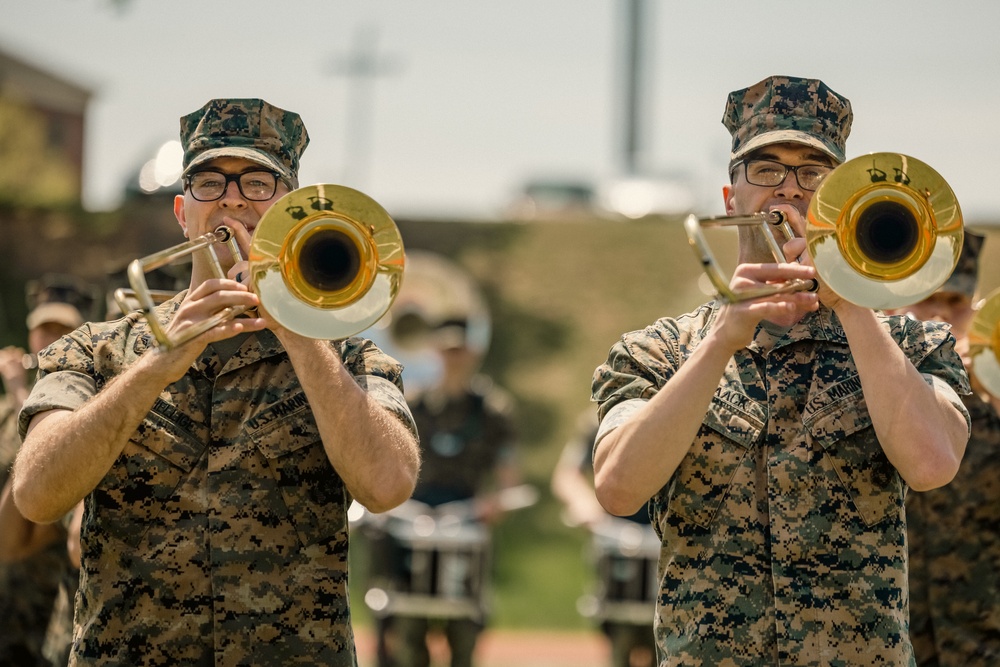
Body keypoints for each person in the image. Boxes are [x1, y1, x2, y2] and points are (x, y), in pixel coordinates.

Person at [11, 98, 421, 666]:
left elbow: (388, 485)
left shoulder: (348, 357)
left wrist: (300, 335)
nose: (232, 197)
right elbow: (35, 495)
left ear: (290, 208)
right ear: (183, 212)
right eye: (209, 182)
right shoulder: (94, 349)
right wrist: (157, 362)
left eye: (257, 183)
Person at [591, 75, 971, 665]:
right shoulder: (656, 351)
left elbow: (932, 465)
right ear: (730, 198)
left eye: (813, 173)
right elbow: (617, 489)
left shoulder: (913, 343)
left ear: (839, 197)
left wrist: (851, 306)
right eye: (766, 169)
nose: (788, 190)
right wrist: (720, 343)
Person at [376, 318, 520, 667]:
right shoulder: (414, 403)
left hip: (464, 520)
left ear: (471, 352)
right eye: (447, 349)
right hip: (413, 517)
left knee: (464, 623)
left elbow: (508, 474)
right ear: (435, 351)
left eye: (459, 350)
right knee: (404, 622)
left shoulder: (492, 410)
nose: (453, 357)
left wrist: (497, 502)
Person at [888, 231, 1000, 665]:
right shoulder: (866, 392)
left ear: (973, 313)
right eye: (926, 299)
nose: (939, 315)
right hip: (890, 645)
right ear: (895, 308)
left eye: (954, 303)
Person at [0, 294, 84, 666]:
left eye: (63, 330)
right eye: (45, 329)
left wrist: (20, 389)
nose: (52, 337)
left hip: (44, 594)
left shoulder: (81, 398)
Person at [551, 411, 656, 667]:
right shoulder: (601, 420)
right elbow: (567, 475)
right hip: (615, 541)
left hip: (667, 542)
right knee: (617, 635)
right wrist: (585, 505)